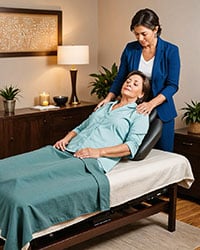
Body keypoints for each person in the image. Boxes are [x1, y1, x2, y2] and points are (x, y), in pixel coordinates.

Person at [97, 8, 181, 152]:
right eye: (137, 34)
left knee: (164, 155)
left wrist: (151, 104)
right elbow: (121, 77)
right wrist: (108, 98)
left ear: (155, 29)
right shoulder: (131, 49)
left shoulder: (171, 50)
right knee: (134, 152)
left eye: (144, 34)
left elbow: (172, 85)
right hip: (133, 110)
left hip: (162, 111)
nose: (140, 39)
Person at [54, 70, 150, 172]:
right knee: (38, 159)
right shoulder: (105, 105)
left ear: (141, 94)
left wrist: (98, 152)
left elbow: (131, 147)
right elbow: (81, 127)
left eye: (135, 84)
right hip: (69, 149)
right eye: (128, 81)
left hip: (90, 160)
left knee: (50, 173)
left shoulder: (139, 114)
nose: (129, 84)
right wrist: (65, 139)